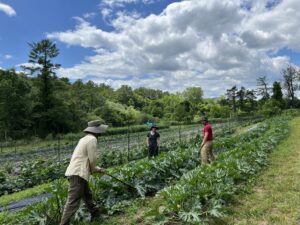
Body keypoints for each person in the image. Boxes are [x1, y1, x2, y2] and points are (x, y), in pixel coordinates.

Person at [60, 120, 108, 225]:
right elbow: (92, 159)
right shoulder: (92, 139)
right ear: (97, 130)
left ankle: (96, 215)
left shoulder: (84, 139)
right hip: (78, 173)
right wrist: (96, 169)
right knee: (73, 202)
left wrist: (96, 169)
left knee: (87, 195)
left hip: (78, 172)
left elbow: (85, 158)